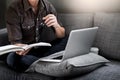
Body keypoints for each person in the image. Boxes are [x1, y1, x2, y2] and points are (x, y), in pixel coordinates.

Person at [6, 0, 67, 72]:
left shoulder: (47, 6)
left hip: (43, 49)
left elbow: (61, 35)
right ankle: (50, 63)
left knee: (67, 40)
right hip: (26, 53)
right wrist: (23, 48)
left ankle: (41, 62)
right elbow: (16, 43)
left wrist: (56, 25)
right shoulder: (14, 9)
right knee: (12, 59)